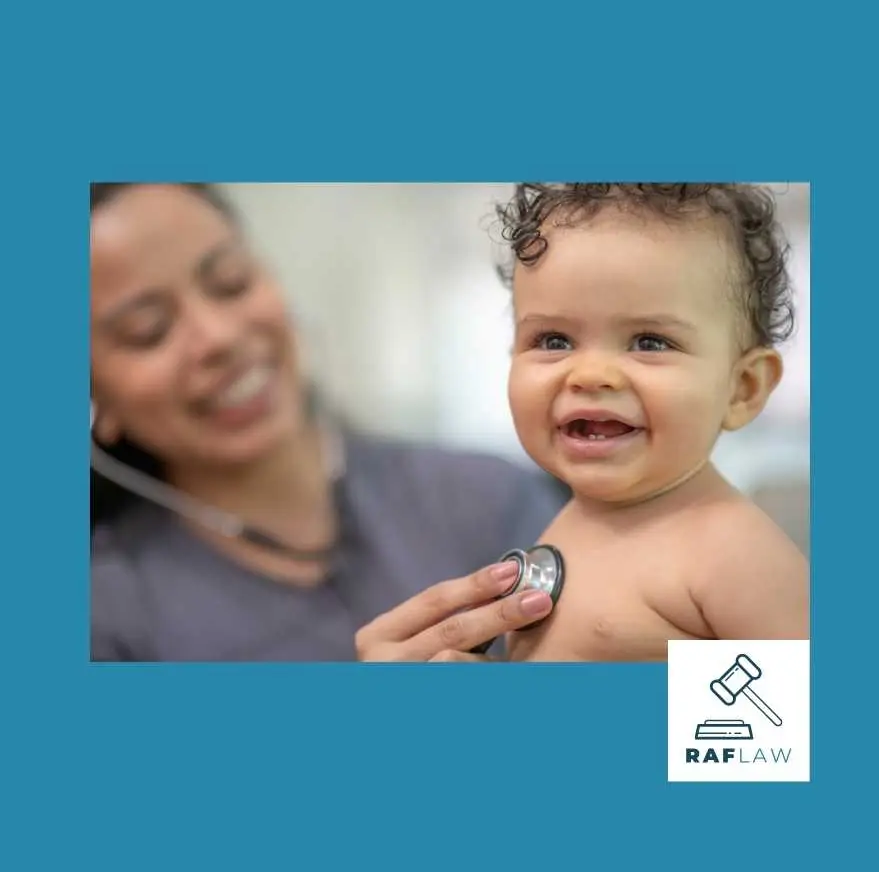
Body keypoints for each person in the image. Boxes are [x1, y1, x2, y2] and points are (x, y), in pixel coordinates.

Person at [90, 182, 566, 662]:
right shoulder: (105, 618)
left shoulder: (485, 497)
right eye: (147, 331)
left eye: (231, 282)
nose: (217, 337)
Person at [484, 183, 809, 663]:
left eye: (650, 342)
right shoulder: (571, 522)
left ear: (742, 389)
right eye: (553, 340)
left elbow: (795, 723)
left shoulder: (733, 556)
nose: (591, 374)